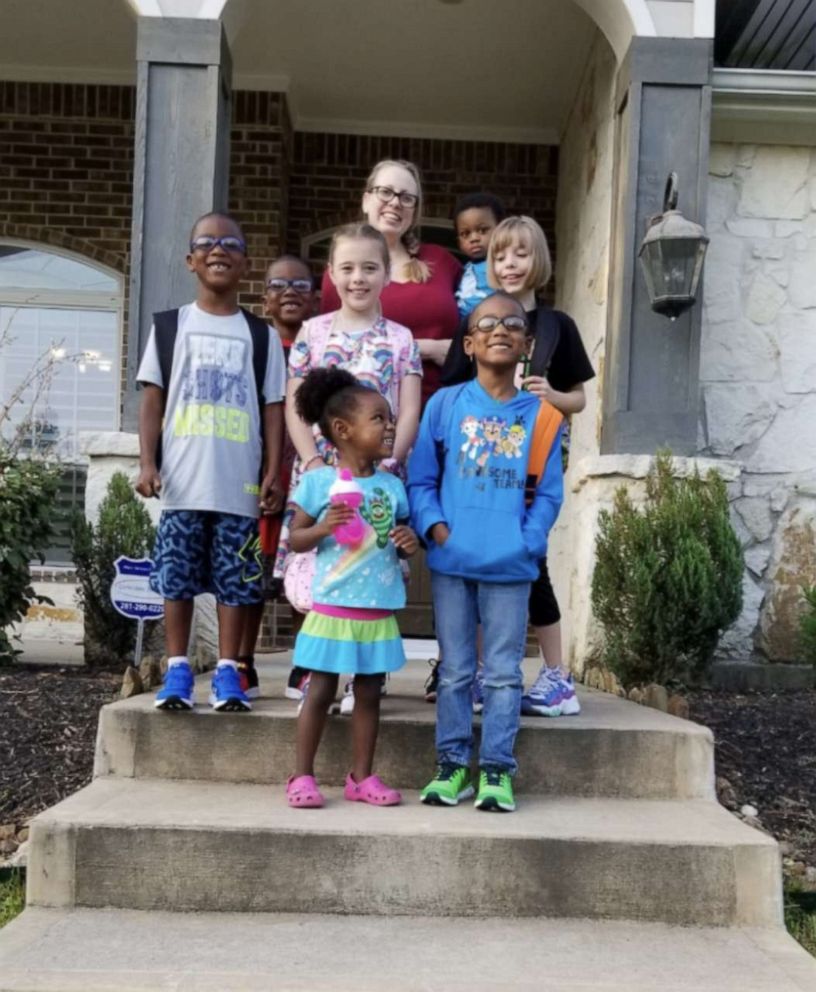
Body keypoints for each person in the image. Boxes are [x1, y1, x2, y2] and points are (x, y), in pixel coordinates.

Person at [409, 292, 564, 812]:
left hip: (511, 566)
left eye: (513, 324)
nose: (501, 329)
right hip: (453, 563)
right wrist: (437, 529)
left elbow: (549, 493)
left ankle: (497, 770)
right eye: (487, 323)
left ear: (526, 344)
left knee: (502, 673)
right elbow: (421, 480)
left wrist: (529, 540)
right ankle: (452, 767)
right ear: (470, 343)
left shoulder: (542, 417)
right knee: (454, 670)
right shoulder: (444, 405)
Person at [136, 211, 286, 713]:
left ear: (245, 262)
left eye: (231, 244)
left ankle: (228, 673)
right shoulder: (170, 326)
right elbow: (153, 399)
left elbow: (272, 408)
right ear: (190, 259)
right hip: (182, 481)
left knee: (237, 584)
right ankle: (177, 670)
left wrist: (270, 471)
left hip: (238, 486)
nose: (219, 249)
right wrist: (147, 463)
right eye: (207, 242)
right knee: (176, 579)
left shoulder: (260, 336)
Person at [283, 222, 422, 713]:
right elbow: (295, 405)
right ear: (331, 275)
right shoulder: (313, 332)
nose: (358, 278)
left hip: (379, 477)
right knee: (320, 566)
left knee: (374, 565)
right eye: (347, 268)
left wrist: (390, 460)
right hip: (326, 475)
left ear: (387, 274)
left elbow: (408, 409)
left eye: (370, 267)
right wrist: (314, 460)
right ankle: (314, 668)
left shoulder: (401, 339)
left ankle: (368, 675)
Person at [285, 367, 419, 809]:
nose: (390, 426)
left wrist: (407, 543)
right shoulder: (320, 482)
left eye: (390, 418)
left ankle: (361, 777)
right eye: (378, 418)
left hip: (376, 610)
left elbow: (397, 540)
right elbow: (295, 538)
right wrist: (324, 526)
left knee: (368, 694)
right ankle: (301, 776)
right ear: (343, 430)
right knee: (320, 690)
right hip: (332, 610)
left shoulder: (392, 486)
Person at [490, 215, 594, 717]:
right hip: (485, 466)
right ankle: (470, 670)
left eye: (521, 254)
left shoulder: (557, 326)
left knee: (531, 561)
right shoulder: (482, 316)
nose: (510, 264)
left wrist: (551, 394)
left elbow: (579, 399)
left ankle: (556, 677)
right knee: (480, 562)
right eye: (501, 255)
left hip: (538, 465)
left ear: (539, 261)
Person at [236, 255, 316, 702]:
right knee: (252, 575)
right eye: (278, 285)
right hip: (258, 477)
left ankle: (303, 666)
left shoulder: (323, 345)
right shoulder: (255, 346)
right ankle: (243, 664)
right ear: (264, 297)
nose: (289, 292)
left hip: (307, 476)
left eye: (300, 285)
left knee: (304, 577)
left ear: (317, 297)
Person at [320, 159, 461, 408]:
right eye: (385, 192)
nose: (395, 202)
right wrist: (425, 349)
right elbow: (335, 350)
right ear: (366, 200)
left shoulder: (441, 262)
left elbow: (482, 321)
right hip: (368, 417)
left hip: (442, 413)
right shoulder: (342, 273)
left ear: (414, 211)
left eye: (406, 197)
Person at [454, 192, 506, 317]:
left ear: (501, 229)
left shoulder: (502, 264)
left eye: (482, 230)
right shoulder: (463, 269)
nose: (474, 238)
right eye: (465, 233)